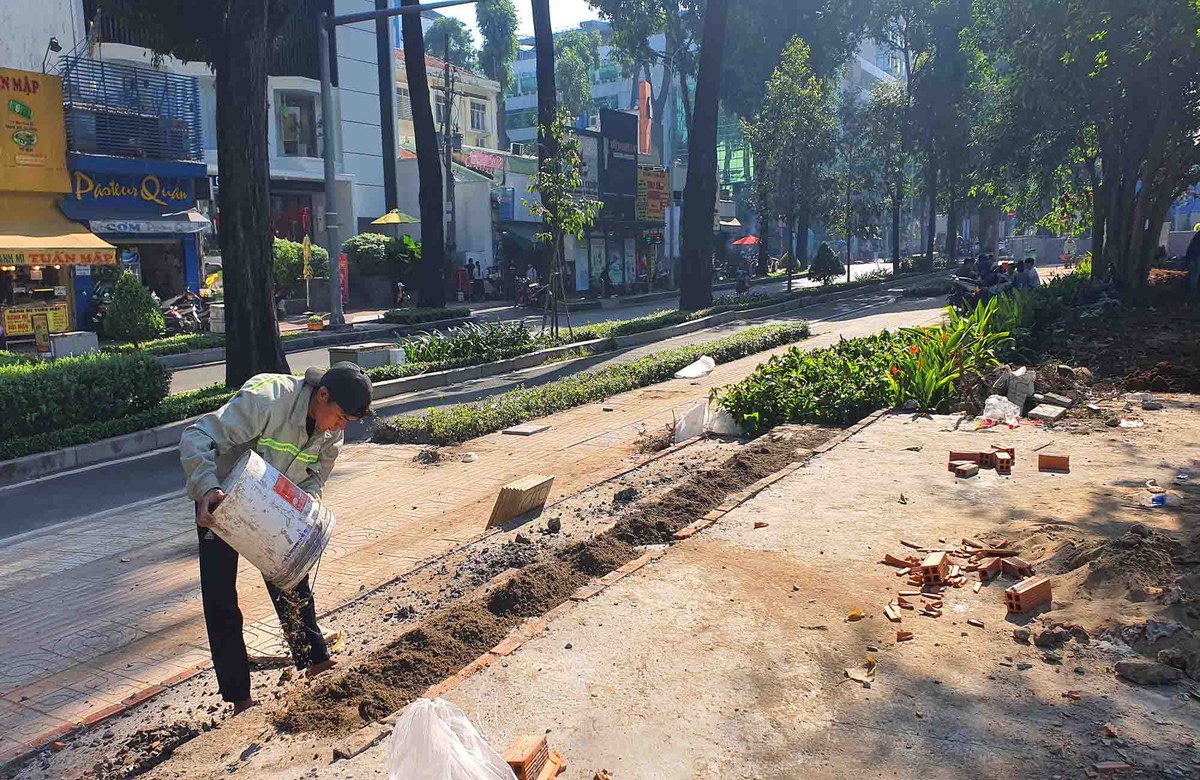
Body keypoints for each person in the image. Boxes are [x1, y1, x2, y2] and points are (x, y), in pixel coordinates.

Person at [179, 363, 374, 715]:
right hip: (221, 500)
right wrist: (208, 486)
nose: (341, 427)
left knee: (290, 576)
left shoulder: (332, 431)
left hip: (271, 500)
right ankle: (240, 698)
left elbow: (315, 475)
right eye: (341, 417)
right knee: (221, 597)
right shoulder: (268, 399)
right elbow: (197, 436)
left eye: (348, 423)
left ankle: (315, 660)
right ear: (323, 396)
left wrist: (309, 503)